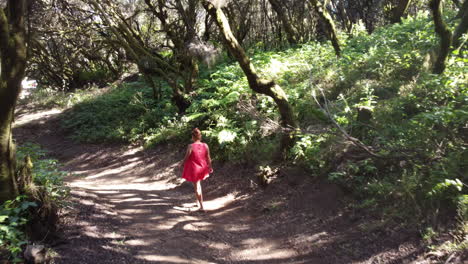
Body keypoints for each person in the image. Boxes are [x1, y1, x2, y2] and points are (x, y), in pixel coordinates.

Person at [179, 128, 213, 211]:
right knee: (198, 185)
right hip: (203, 168)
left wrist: (182, 164)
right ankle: (197, 202)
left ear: (193, 137)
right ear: (200, 136)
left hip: (194, 169)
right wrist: (210, 166)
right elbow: (208, 157)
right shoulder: (205, 145)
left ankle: (201, 206)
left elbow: (187, 157)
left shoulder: (190, 146)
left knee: (197, 186)